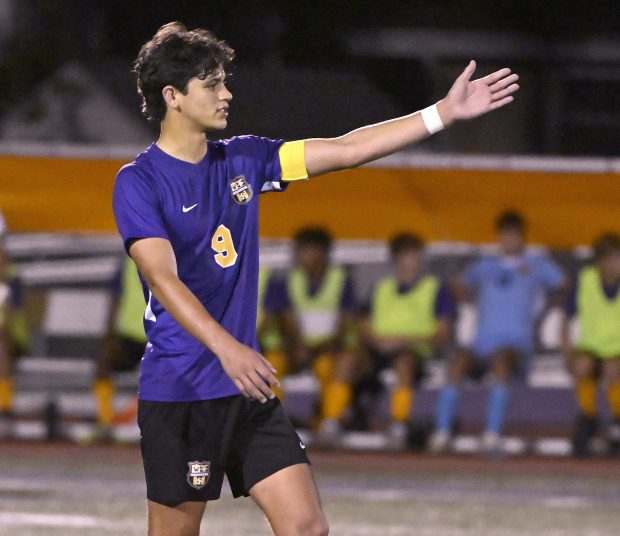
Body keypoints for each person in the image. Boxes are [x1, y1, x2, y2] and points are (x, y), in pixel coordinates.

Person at [113, 21, 518, 535]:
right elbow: (163, 279)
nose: (226, 92)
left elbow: (345, 149)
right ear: (172, 96)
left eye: (223, 80)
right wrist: (227, 348)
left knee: (307, 527)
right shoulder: (138, 181)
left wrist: (442, 114)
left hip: (246, 390)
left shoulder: (244, 158)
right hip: (181, 390)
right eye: (211, 83)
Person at [429, 211, 564, 455]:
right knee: (457, 364)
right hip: (482, 343)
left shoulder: (537, 265)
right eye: (505, 235)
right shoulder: (484, 265)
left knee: (501, 362)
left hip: (516, 345)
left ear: (523, 238)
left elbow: (562, 286)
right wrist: (466, 297)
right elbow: (461, 286)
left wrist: (545, 311)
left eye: (514, 235)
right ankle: (442, 433)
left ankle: (491, 434)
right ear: (499, 238)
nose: (509, 241)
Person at [361, 233, 456, 448]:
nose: (410, 262)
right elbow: (363, 323)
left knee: (404, 362)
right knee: (347, 361)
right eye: (405, 256)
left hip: (416, 351)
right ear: (395, 259)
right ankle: (330, 420)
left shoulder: (435, 288)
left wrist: (404, 341)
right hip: (378, 350)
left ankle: (399, 422)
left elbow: (442, 333)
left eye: (414, 255)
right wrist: (377, 342)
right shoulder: (382, 287)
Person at [263, 228, 358, 442]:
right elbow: (283, 321)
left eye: (309, 250)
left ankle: (328, 422)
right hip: (292, 348)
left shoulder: (341, 280)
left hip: (327, 348)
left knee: (327, 368)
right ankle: (273, 420)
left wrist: (315, 349)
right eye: (301, 251)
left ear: (324, 253)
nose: (304, 257)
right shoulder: (284, 280)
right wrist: (297, 348)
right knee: (272, 365)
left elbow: (345, 324)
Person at [563, 233, 620, 458]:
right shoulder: (585, 279)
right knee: (582, 364)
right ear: (601, 261)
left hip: (617, 353)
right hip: (592, 348)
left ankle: (617, 420)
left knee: (613, 367)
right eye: (614, 258)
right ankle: (588, 418)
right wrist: (567, 355)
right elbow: (566, 320)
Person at [90, 256, 147, 442]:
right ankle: (105, 422)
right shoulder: (128, 261)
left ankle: (156, 423)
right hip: (130, 334)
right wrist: (109, 333)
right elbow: (115, 295)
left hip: (161, 334)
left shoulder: (172, 253)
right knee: (104, 357)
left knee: (168, 370)